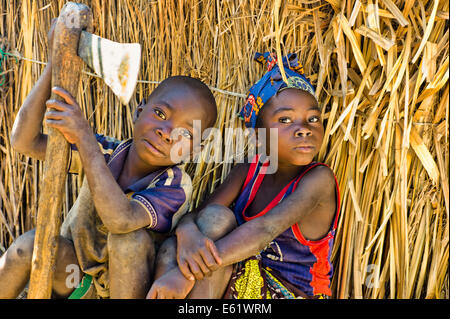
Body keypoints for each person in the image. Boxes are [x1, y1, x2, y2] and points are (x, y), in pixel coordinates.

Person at [0, 20, 217, 299]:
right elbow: (24, 141)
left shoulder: (174, 184)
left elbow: (120, 221)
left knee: (130, 239)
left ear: (196, 149)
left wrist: (85, 139)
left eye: (184, 133)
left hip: (125, 290)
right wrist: (56, 63)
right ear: (139, 112)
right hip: (75, 280)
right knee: (27, 247)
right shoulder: (107, 152)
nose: (166, 133)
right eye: (161, 114)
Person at [148, 52, 341, 299]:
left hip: (291, 294)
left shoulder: (318, 180)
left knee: (211, 255)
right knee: (177, 245)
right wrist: (187, 234)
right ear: (258, 134)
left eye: (313, 119)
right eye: (285, 119)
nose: (304, 129)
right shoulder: (250, 171)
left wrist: (185, 275)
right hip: (243, 282)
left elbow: (265, 229)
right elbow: (199, 215)